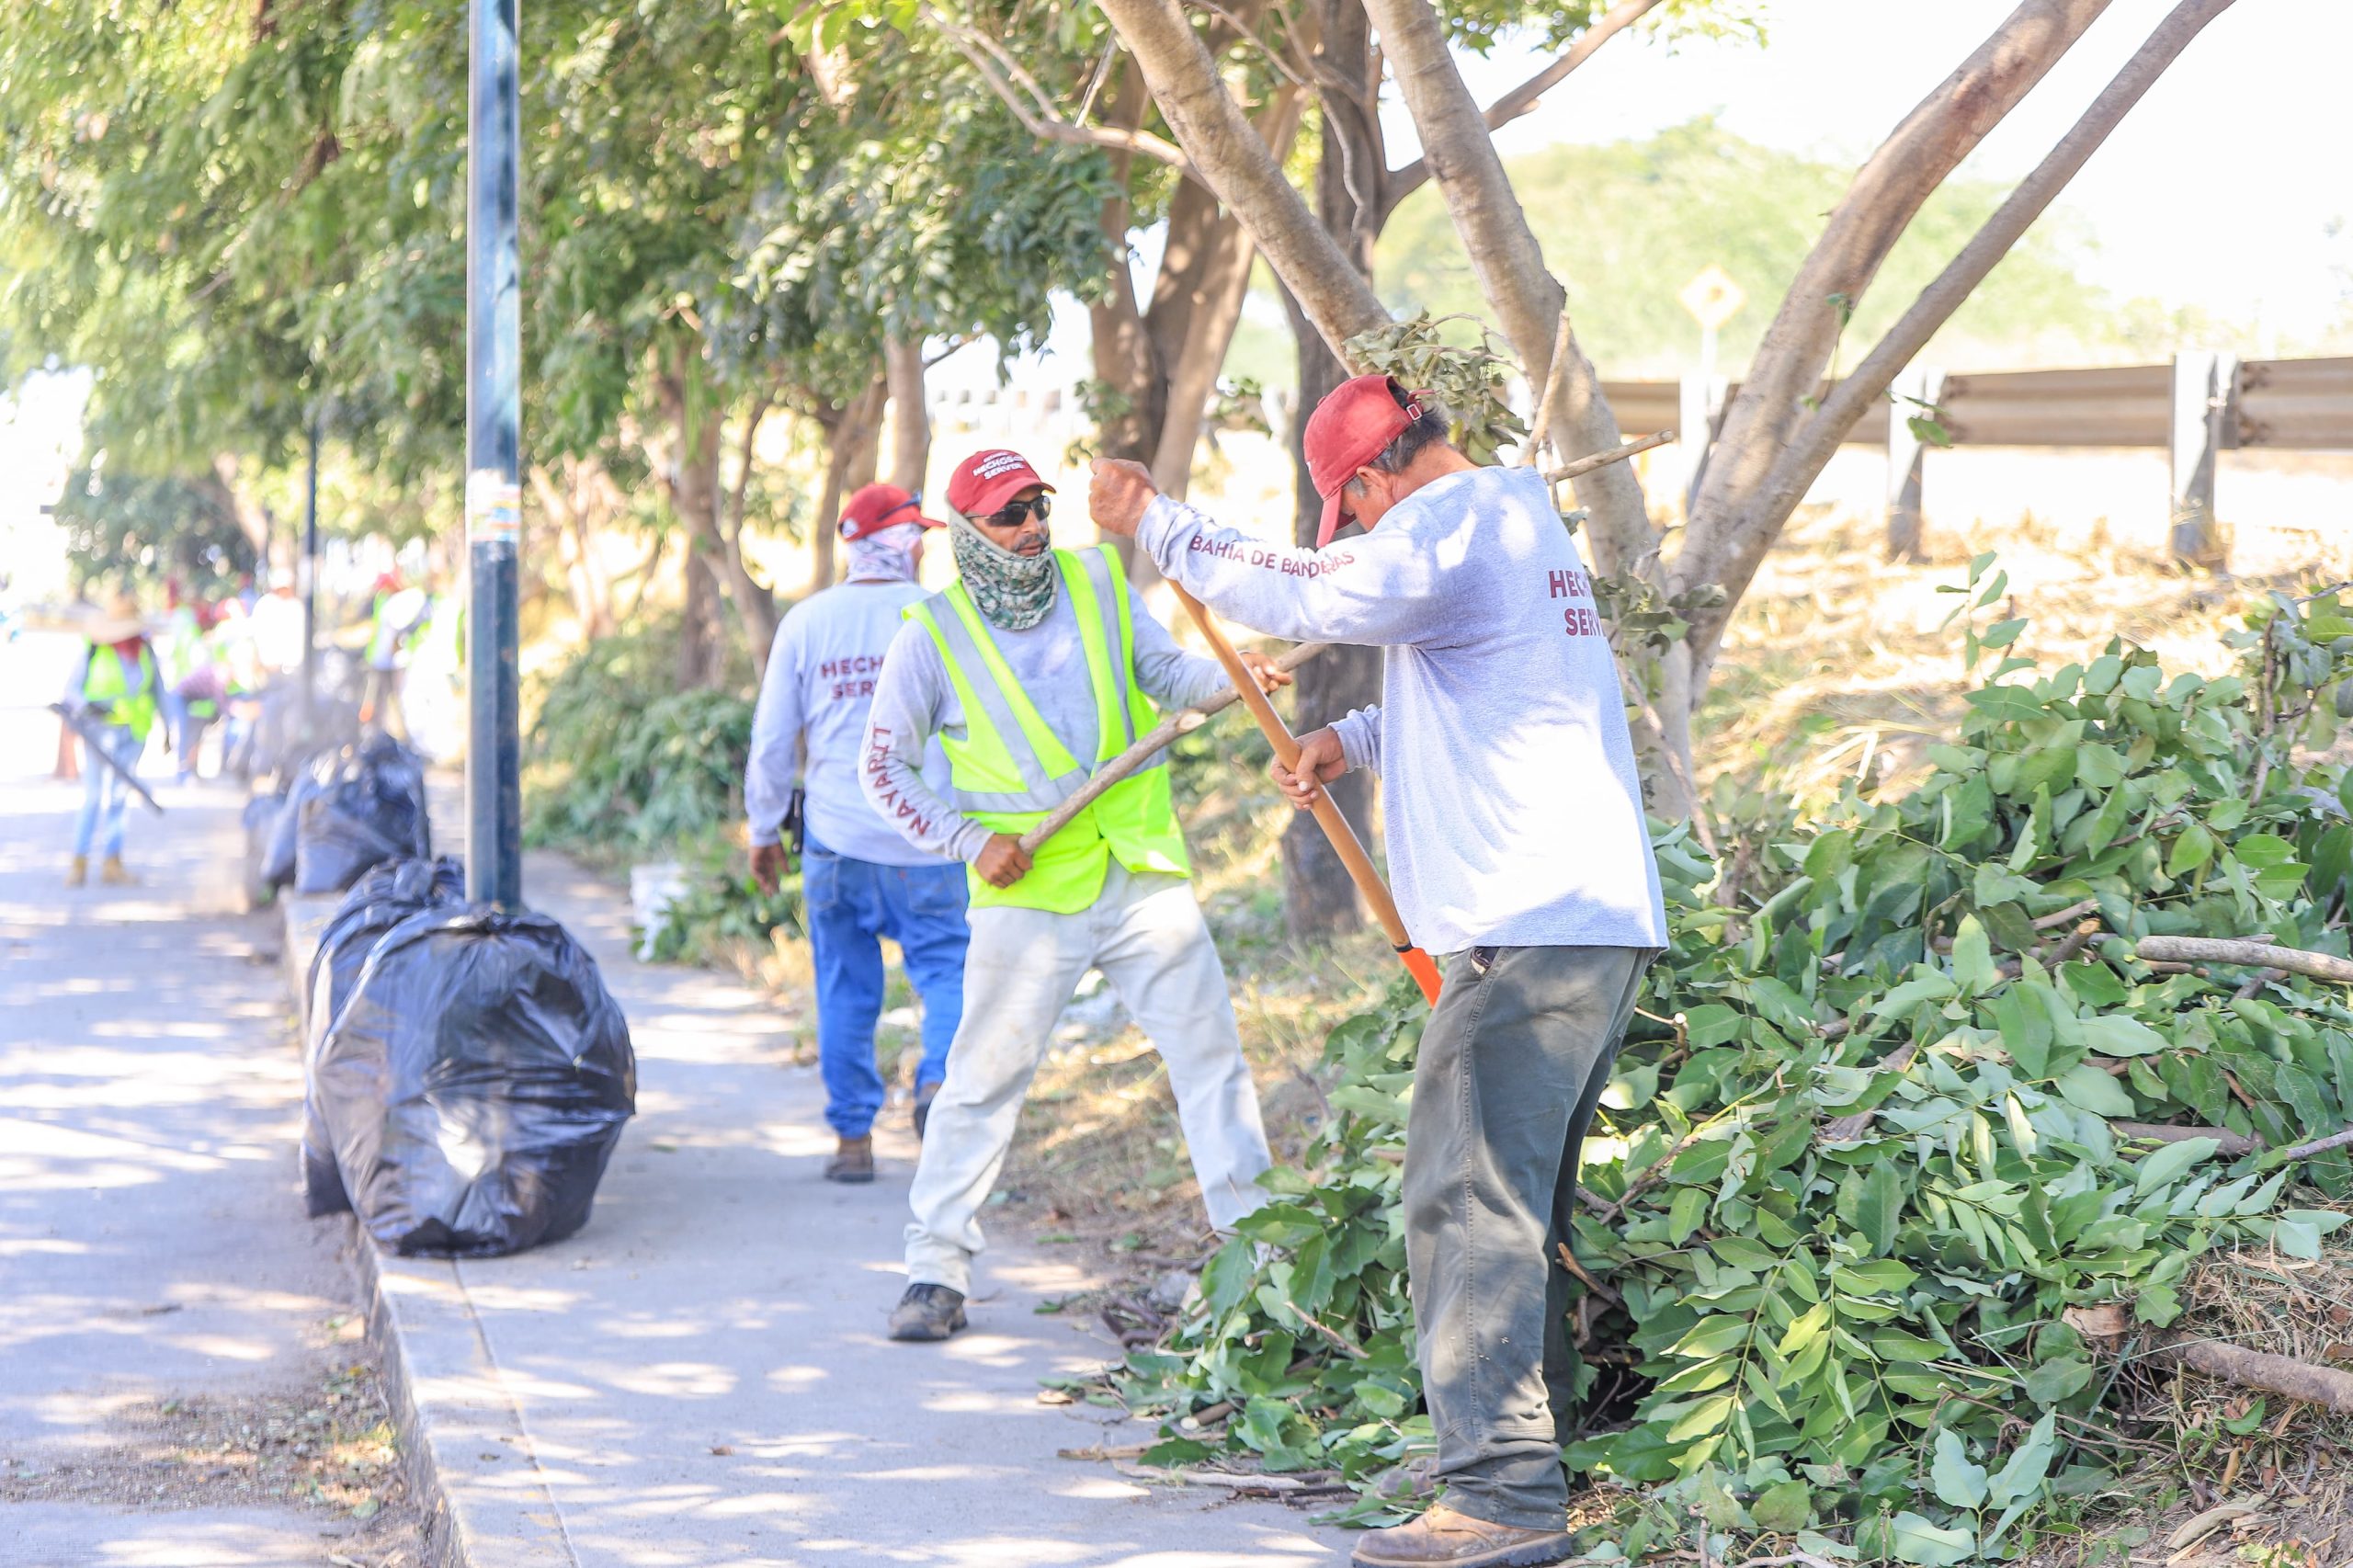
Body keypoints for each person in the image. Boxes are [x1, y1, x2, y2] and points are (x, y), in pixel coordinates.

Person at [1088, 375, 1668, 1568]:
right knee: (1517, 1203)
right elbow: (1478, 694)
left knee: (1463, 1197)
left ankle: (1500, 1494)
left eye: (1350, 515)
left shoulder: (1447, 524)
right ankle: (1530, 1446)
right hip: (1587, 924)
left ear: (1367, 480)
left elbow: (1313, 592)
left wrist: (1159, 524)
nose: (1355, 536)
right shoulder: (1518, 527)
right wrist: (1339, 743)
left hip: (1524, 927)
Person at [859, 448, 1285, 1344]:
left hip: (1137, 872)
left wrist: (1234, 676)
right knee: (980, 1082)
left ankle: (1259, 1258)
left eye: (1038, 506)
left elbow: (1167, 677)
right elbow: (882, 769)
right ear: (969, 531)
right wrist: (973, 841)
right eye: (1009, 514)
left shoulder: (1094, 583)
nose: (1032, 526)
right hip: (1029, 891)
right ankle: (935, 1271)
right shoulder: (930, 636)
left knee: (1211, 1056)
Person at [745, 483, 972, 1185]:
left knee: (845, 988)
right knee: (947, 973)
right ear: (901, 542)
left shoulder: (809, 624)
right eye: (919, 536)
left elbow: (774, 739)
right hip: (929, 840)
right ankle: (936, 1085)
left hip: (836, 841)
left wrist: (763, 829)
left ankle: (852, 1143)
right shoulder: (943, 618)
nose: (925, 547)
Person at [63, 592, 165, 887]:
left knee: (119, 797)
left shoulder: (145, 652)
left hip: (133, 733)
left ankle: (112, 862)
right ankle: (79, 863)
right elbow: (71, 690)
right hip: (99, 732)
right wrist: (85, 706)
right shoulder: (94, 651)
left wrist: (170, 730)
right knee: (94, 796)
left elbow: (160, 691)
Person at [361, 571, 429, 739]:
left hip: (392, 662)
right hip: (379, 660)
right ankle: (372, 734)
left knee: (399, 701)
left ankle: (404, 736)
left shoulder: (402, 600)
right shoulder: (383, 601)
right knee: (375, 700)